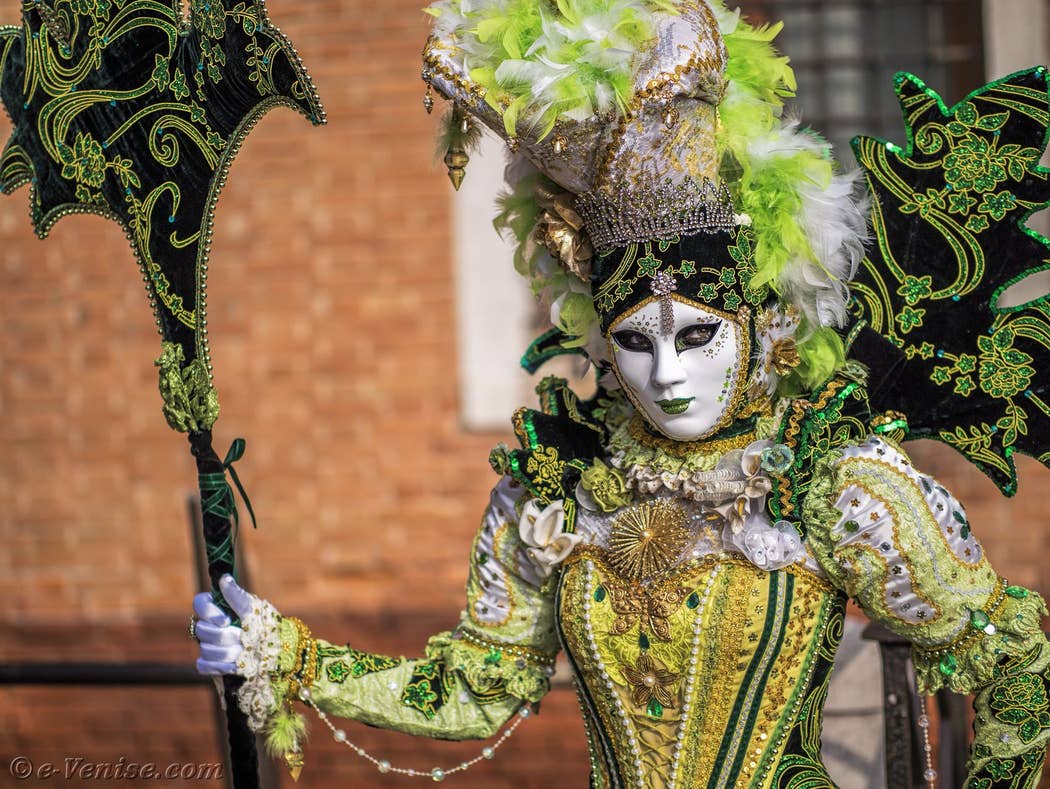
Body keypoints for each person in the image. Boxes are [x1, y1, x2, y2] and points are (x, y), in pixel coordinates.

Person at [193, 1, 1050, 786]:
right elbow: (470, 691)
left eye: (698, 334)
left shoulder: (836, 485)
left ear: (757, 322)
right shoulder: (553, 495)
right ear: (600, 339)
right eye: (636, 340)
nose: (667, 374)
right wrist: (291, 656)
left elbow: (1014, 669)